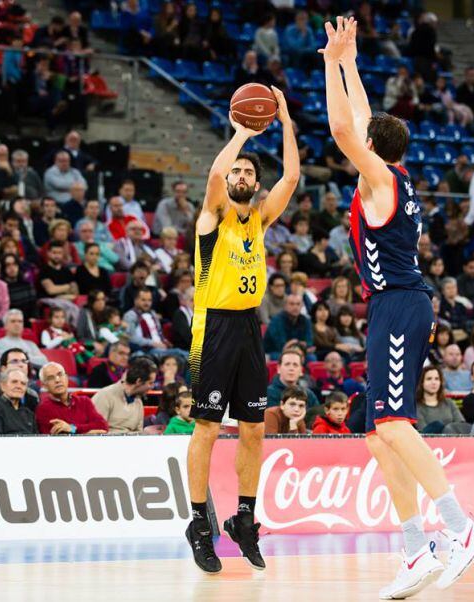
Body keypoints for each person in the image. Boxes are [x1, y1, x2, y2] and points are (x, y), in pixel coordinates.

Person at [322, 19, 474, 596]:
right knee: (375, 432)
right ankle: (417, 547)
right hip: (390, 307)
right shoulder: (392, 172)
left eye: (366, 142)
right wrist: (348, 61)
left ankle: (461, 527)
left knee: (395, 422)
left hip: (399, 305)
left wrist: (326, 67)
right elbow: (364, 120)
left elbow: (345, 127)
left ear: (373, 150)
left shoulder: (379, 182)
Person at [184, 85, 298, 575]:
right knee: (208, 426)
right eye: (238, 170)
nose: (243, 174)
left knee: (254, 428)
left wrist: (286, 121)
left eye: (250, 171)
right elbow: (214, 173)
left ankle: (244, 518)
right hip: (213, 327)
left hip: (249, 326)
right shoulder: (213, 218)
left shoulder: (261, 219)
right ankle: (198, 523)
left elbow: (292, 175)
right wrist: (240, 135)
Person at [34, 362, 108, 435]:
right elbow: (58, 438)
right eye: (50, 378)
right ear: (44, 385)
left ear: (66, 377)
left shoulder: (84, 401)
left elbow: (103, 426)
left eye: (60, 375)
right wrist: (87, 433)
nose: (57, 380)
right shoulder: (44, 409)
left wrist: (72, 428)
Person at [91, 357, 157, 434]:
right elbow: (96, 433)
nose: (152, 387)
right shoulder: (105, 396)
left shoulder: (138, 402)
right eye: (150, 383)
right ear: (138, 381)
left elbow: (138, 434)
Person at [416, 366, 466, 434]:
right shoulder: (416, 406)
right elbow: (423, 432)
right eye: (429, 379)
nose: (433, 382)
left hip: (453, 441)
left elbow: (461, 425)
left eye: (437, 379)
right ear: (421, 382)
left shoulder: (449, 402)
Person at [263, 294, 314, 360]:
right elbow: (281, 346)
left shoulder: (306, 320)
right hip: (275, 352)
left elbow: (309, 343)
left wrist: (295, 343)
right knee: (285, 357)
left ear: (302, 306)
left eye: (298, 304)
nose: (295, 307)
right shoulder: (276, 321)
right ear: (285, 306)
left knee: (311, 358)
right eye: (292, 304)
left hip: (299, 352)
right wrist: (299, 344)